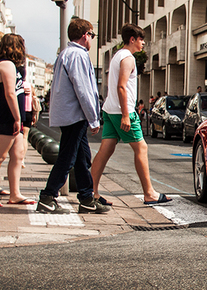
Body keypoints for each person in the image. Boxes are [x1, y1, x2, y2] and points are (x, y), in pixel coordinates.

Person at [90, 23, 171, 205]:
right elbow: (121, 86)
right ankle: (149, 193)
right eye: (141, 39)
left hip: (110, 110)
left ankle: (92, 191)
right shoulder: (128, 58)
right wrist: (126, 115)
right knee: (141, 148)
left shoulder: (117, 55)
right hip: (121, 111)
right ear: (132, 39)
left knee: (106, 149)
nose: (143, 43)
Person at [36, 21, 108, 214]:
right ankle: (48, 196)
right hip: (74, 115)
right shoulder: (78, 55)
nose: (92, 39)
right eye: (92, 35)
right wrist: (94, 118)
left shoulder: (66, 53)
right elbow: (84, 90)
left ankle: (86, 197)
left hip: (70, 114)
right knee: (67, 158)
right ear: (85, 35)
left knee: (82, 158)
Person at [0, 33, 32, 205]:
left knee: (18, 155)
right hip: (7, 116)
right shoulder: (6, 64)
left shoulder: (13, 66)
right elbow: (9, 93)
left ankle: (15, 193)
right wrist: (18, 118)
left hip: (13, 117)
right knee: (1, 156)